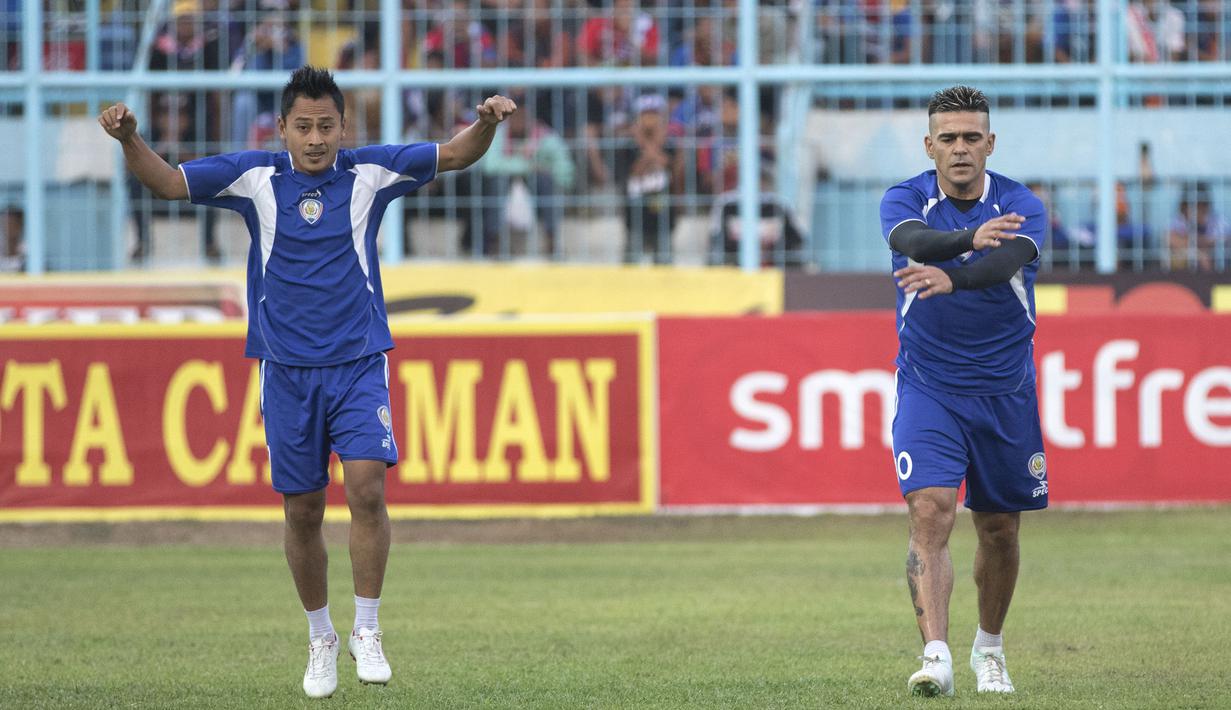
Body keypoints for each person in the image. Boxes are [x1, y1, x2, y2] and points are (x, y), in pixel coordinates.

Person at [98, 66, 516, 699]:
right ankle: (320, 637)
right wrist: (129, 139)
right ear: (283, 129)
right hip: (286, 372)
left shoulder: (371, 173)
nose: (316, 138)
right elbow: (168, 182)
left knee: (368, 489)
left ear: (343, 127)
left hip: (358, 362)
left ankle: (367, 629)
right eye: (304, 127)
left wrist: (484, 123)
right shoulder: (255, 179)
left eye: (326, 126)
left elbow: (457, 154)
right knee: (302, 510)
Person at [879, 85, 1048, 698]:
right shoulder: (905, 198)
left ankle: (990, 648)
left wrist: (955, 276)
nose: (959, 149)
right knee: (929, 509)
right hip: (929, 386)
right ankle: (936, 656)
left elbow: (1005, 265)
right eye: (947, 138)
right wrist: (965, 244)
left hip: (1005, 392)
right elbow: (911, 242)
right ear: (930, 146)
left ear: (989, 144)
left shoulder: (1021, 202)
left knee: (1000, 528)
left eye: (971, 137)